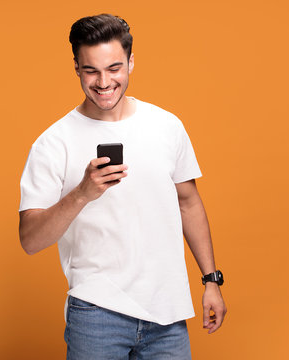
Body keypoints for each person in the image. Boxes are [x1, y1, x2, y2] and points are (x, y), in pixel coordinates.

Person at [18, 13, 226, 359]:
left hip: (167, 315)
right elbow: (30, 240)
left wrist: (211, 280)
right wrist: (83, 193)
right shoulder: (54, 143)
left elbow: (188, 202)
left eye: (114, 68)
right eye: (91, 71)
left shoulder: (166, 126)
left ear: (131, 62)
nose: (103, 82)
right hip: (97, 313)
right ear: (76, 67)